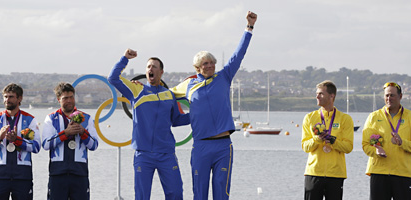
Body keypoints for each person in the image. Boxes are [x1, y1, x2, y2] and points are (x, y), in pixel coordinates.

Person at [170, 11, 257, 200]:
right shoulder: (188, 85)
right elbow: (164, 97)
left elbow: (238, 55)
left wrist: (249, 27)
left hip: (223, 146)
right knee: (199, 193)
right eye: (205, 63)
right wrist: (139, 90)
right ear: (197, 67)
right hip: (200, 146)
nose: (210, 66)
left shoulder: (224, 77)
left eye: (212, 62)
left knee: (221, 192)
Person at [108, 50, 190, 200]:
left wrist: (197, 115)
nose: (150, 69)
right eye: (148, 67)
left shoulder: (169, 95)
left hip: (166, 154)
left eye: (154, 66)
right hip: (143, 154)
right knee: (142, 196)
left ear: (161, 72)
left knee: (176, 194)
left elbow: (177, 120)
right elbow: (113, 78)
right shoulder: (136, 90)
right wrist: (125, 58)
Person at [362, 82, 411, 200]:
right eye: (386, 95)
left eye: (392, 95)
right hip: (379, 173)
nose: (388, 98)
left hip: (404, 174)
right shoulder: (373, 117)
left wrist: (402, 143)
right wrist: (376, 151)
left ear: (400, 96)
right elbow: (365, 145)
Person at [0, 83, 41, 199]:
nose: (7, 99)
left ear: (19, 98)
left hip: (23, 175)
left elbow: (37, 147)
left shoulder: (30, 120)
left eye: (11, 96)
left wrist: (17, 140)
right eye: (5, 96)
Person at [41, 82, 99, 200]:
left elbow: (94, 145)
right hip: (57, 174)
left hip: (79, 173)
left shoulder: (86, 118)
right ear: (58, 100)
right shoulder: (51, 118)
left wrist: (83, 132)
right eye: (65, 98)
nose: (69, 101)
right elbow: (46, 144)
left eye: (71, 97)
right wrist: (65, 133)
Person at [301, 80, 354, 200]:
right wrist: (317, 139)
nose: (317, 96)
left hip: (335, 174)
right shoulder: (310, 117)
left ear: (332, 96)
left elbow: (348, 147)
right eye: (317, 93)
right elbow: (305, 146)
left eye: (321, 94)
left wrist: (332, 141)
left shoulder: (345, 119)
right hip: (313, 173)